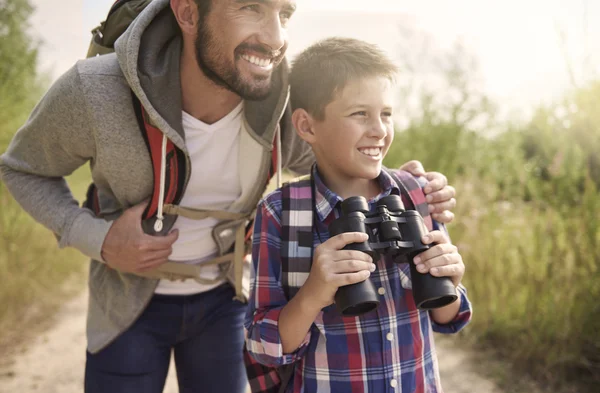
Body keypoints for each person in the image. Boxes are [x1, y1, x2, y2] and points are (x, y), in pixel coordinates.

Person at [0, 1, 457, 392]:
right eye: (250, 7)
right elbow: (22, 169)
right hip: (125, 307)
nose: (276, 38)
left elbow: (338, 152)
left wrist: (402, 182)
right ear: (186, 11)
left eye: (284, 12)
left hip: (226, 305)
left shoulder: (280, 98)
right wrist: (98, 240)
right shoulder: (95, 90)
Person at [244, 37, 472, 393]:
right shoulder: (280, 213)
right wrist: (314, 293)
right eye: (359, 114)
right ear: (306, 126)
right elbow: (263, 346)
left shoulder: (415, 193)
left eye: (386, 114)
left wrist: (451, 280)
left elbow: (447, 316)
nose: (379, 130)